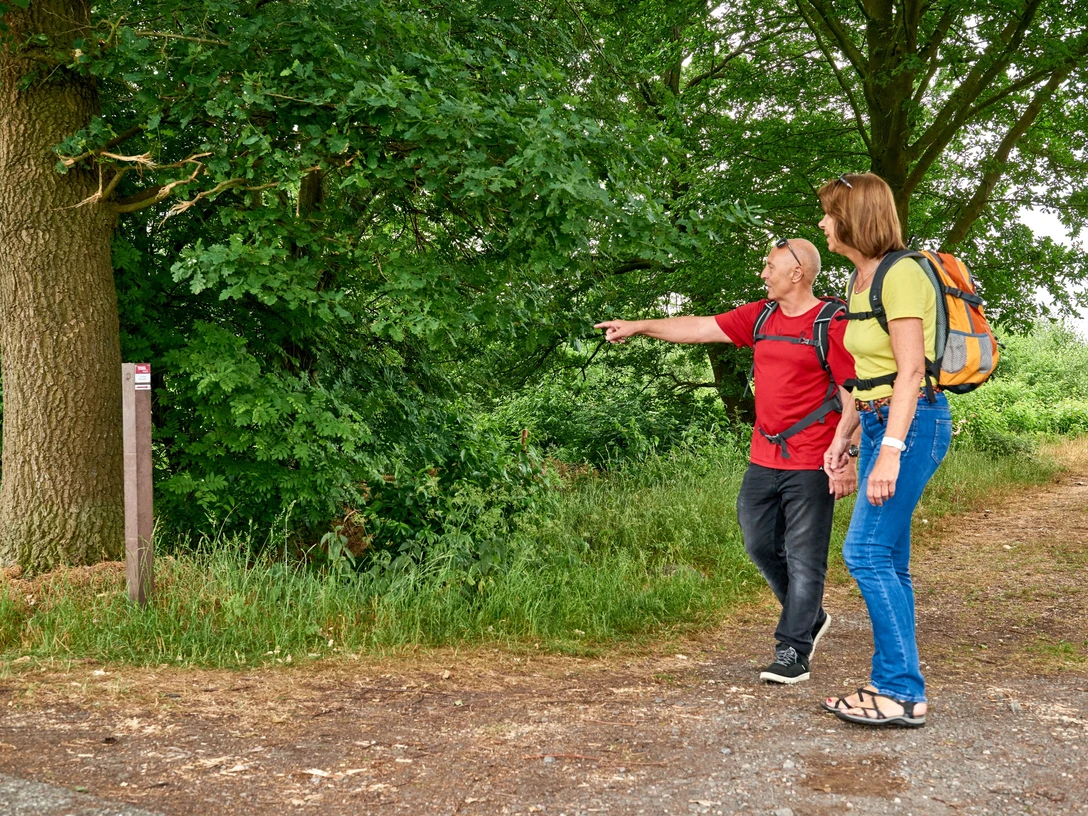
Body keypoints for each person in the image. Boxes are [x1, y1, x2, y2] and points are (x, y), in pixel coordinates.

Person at [595, 238, 857, 684]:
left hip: (814, 455)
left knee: (805, 556)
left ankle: (793, 649)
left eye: (770, 265)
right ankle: (809, 615)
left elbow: (854, 391)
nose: (763, 273)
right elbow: (698, 327)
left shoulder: (831, 323)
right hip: (763, 454)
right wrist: (639, 325)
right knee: (757, 543)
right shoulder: (760, 316)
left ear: (797, 272)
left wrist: (844, 448)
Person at [818, 173, 952, 728]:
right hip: (876, 423)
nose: (822, 223)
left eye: (828, 213)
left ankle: (898, 690)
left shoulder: (901, 274)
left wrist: (892, 450)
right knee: (890, 559)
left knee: (865, 554)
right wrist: (846, 437)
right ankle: (898, 686)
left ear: (853, 217)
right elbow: (867, 374)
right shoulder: (859, 279)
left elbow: (911, 370)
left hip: (913, 423)